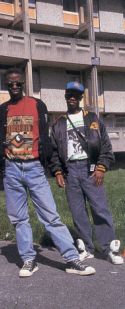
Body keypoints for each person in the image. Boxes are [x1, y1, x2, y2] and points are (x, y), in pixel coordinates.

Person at [0, 68, 95, 277]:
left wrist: (47, 164)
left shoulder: (37, 105)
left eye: (17, 83)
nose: (14, 86)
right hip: (12, 169)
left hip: (34, 168)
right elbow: (2, 138)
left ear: (23, 84)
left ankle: (71, 259)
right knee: (19, 218)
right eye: (10, 83)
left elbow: (45, 138)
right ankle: (29, 259)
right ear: (6, 85)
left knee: (50, 216)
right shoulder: (1, 110)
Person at [50, 81, 124, 265]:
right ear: (65, 97)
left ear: (81, 98)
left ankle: (109, 249)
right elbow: (52, 152)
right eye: (69, 95)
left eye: (76, 95)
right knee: (78, 212)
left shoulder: (93, 119)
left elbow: (106, 146)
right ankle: (87, 248)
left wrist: (100, 167)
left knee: (100, 209)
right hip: (70, 171)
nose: (72, 98)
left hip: (90, 170)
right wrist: (58, 171)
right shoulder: (58, 123)